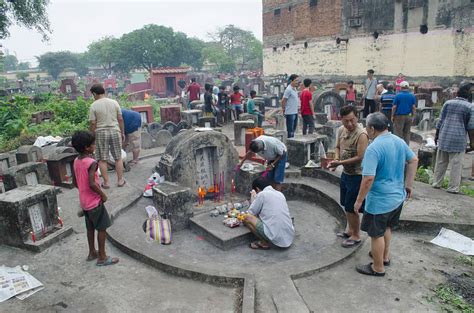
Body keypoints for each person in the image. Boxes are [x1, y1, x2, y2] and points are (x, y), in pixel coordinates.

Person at [353, 113, 418, 276]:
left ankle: (378, 267)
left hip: (380, 201)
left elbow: (368, 178)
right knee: (387, 227)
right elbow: (414, 160)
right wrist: (408, 185)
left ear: (372, 129)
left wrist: (359, 200)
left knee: (376, 235)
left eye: (367, 127)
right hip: (397, 198)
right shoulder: (398, 141)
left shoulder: (373, 148)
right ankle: (384, 256)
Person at [72, 131, 119, 266]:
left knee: (90, 228)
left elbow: (75, 183)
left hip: (84, 202)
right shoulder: (91, 163)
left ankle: (92, 251)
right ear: (87, 147)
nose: (94, 146)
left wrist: (83, 191)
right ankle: (102, 257)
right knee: (102, 228)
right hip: (94, 202)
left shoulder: (76, 161)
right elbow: (92, 183)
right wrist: (102, 195)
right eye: (93, 144)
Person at [327, 105, 368, 248]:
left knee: (353, 208)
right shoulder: (341, 130)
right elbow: (338, 147)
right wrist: (336, 159)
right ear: (341, 120)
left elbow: (360, 156)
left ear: (357, 117)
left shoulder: (361, 134)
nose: (350, 124)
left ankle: (356, 235)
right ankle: (350, 230)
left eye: (352, 120)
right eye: (346, 121)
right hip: (346, 173)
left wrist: (339, 163)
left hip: (357, 175)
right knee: (346, 204)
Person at [433, 82, 473, 193]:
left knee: (441, 162)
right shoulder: (470, 106)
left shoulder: (448, 103)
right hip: (458, 138)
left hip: (444, 135)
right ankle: (453, 188)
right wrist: (472, 143)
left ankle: (436, 183)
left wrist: (437, 135)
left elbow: (440, 120)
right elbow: (471, 126)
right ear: (468, 95)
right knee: (456, 164)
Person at [88, 83, 125, 188]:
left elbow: (93, 123)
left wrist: (92, 135)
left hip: (101, 132)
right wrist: (122, 132)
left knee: (102, 159)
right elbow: (120, 119)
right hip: (115, 131)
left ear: (94, 93)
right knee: (118, 157)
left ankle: (106, 183)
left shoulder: (94, 105)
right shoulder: (114, 102)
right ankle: (120, 180)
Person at [243, 177, 295, 250]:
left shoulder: (262, 194)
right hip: (289, 235)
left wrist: (254, 199)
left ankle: (264, 243)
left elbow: (251, 212)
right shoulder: (280, 194)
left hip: (275, 235)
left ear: (257, 189)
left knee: (246, 218)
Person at [391, 81, 416, 145]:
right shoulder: (412, 96)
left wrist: (392, 116)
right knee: (407, 133)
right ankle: (406, 147)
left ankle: (399, 146)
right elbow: (413, 107)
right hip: (408, 116)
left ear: (401, 87)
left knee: (398, 133)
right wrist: (413, 116)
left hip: (399, 116)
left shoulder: (398, 95)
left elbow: (394, 107)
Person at [282, 74, 300, 138]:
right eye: (296, 80)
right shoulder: (288, 89)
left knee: (293, 129)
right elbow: (283, 100)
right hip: (290, 112)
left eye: (298, 80)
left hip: (295, 112)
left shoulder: (295, 89)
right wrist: (284, 110)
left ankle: (293, 142)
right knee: (290, 130)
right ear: (291, 81)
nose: (297, 82)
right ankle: (290, 143)